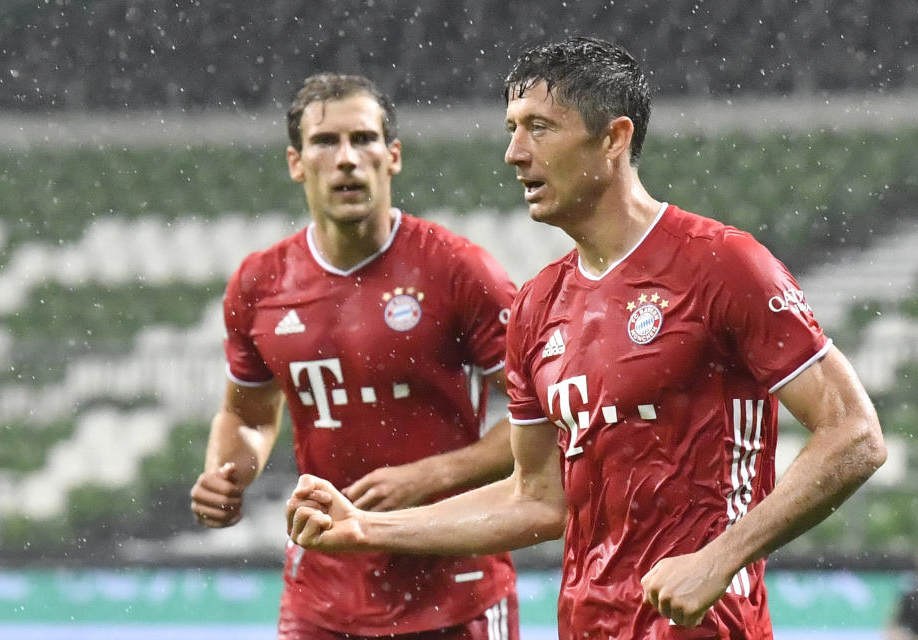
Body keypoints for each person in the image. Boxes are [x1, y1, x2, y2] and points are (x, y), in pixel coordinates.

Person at [285, 37, 888, 639]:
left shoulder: (722, 264)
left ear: (614, 138)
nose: (513, 153)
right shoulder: (535, 306)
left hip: (705, 623)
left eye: (539, 128)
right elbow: (534, 498)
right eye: (512, 128)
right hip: (585, 623)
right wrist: (366, 528)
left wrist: (720, 558)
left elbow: (854, 434)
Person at [189, 73, 520, 639]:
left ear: (392, 158)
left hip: (454, 591)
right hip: (321, 595)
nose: (346, 159)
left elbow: (544, 415)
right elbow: (247, 414)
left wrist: (431, 475)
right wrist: (226, 473)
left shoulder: (459, 271)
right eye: (325, 142)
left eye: (363, 139)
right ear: (296, 162)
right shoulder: (259, 284)